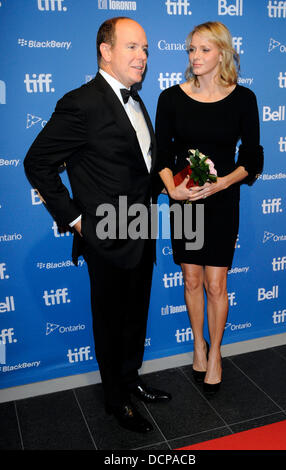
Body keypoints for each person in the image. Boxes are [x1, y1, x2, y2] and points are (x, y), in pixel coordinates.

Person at [24, 17, 171, 433]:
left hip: (141, 228)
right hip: (106, 235)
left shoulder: (138, 100)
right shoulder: (82, 103)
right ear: (105, 51)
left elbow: (140, 167)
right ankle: (115, 400)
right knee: (109, 321)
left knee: (134, 316)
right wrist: (75, 220)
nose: (142, 56)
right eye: (132, 47)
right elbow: (37, 163)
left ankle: (130, 380)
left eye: (145, 49)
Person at [155, 21, 263, 395]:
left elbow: (251, 158)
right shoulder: (170, 98)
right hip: (184, 202)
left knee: (217, 284)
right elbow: (162, 154)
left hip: (222, 201)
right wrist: (173, 190)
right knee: (191, 279)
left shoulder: (243, 99)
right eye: (191, 50)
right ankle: (197, 345)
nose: (195, 57)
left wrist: (221, 183)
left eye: (203, 49)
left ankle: (215, 352)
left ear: (223, 52)